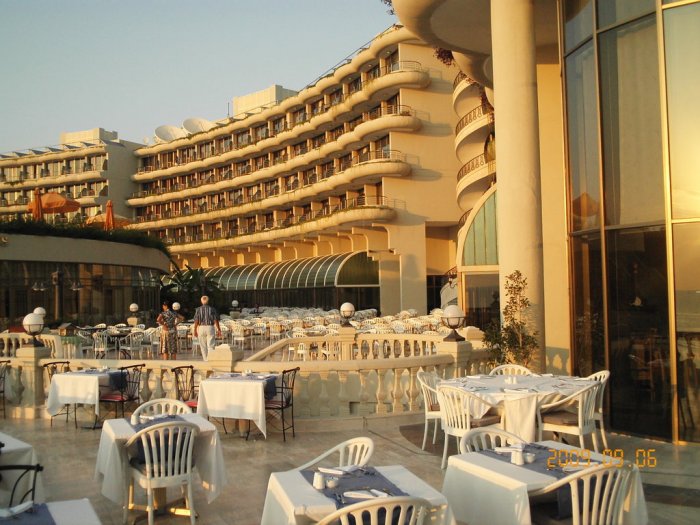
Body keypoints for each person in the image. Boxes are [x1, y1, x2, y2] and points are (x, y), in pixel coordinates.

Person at [193, 295, 221, 361]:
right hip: (210, 327)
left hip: (201, 327)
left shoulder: (198, 309)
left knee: (203, 346)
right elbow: (215, 320)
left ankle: (205, 360)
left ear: (201, 301)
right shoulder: (212, 309)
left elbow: (196, 320)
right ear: (208, 301)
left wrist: (195, 330)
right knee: (211, 345)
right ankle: (211, 359)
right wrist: (219, 329)